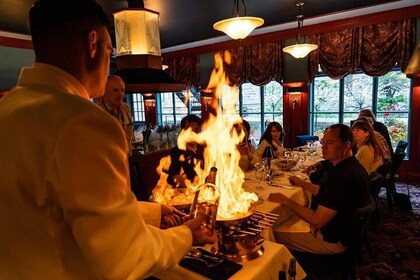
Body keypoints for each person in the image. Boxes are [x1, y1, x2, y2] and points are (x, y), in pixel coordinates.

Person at [0, 1, 215, 279]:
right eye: (110, 50)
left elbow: (63, 206)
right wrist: (187, 234)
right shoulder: (83, 123)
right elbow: (125, 256)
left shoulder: (8, 110)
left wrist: (155, 212)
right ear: (93, 44)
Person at [268, 124, 370, 254]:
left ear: (347, 145)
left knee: (270, 231)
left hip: (331, 239)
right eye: (323, 142)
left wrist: (286, 201)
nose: (324, 147)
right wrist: (302, 183)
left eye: (330, 142)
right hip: (341, 228)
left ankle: (283, 271)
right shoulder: (349, 165)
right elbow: (328, 194)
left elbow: (317, 221)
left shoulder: (342, 177)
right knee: (290, 214)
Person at [98, 75, 135, 154]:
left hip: (127, 157)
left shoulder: (126, 108)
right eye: (116, 90)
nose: (120, 94)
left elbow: (130, 133)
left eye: (122, 90)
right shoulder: (97, 112)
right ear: (104, 91)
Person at [166, 114, 204, 188]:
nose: (193, 133)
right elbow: (169, 179)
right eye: (189, 129)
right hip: (184, 192)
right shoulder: (176, 152)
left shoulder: (205, 150)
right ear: (183, 131)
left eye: (196, 129)